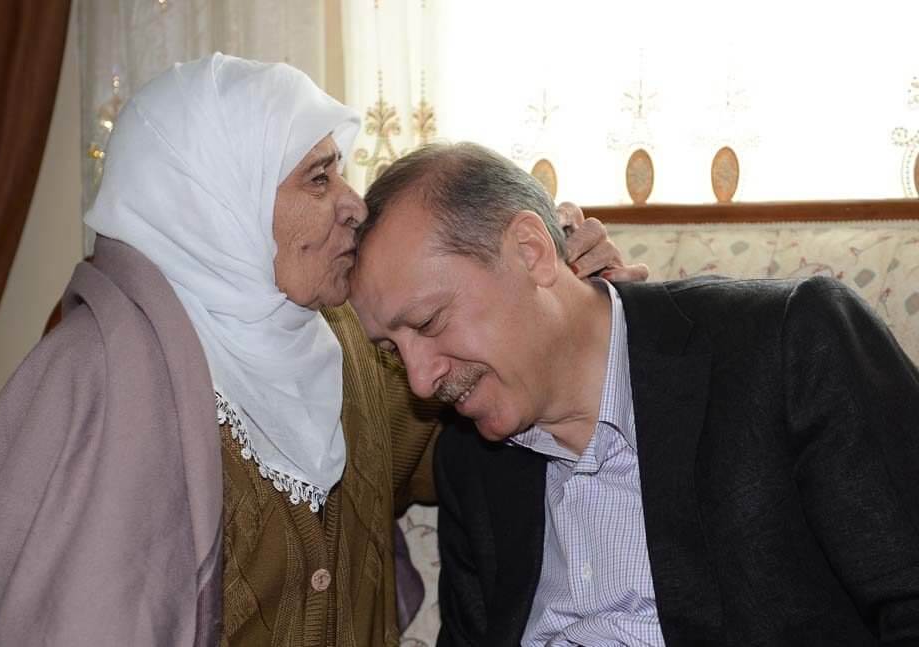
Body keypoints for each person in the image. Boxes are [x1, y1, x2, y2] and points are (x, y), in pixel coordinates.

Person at [0, 55, 640, 646]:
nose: (354, 203)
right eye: (319, 177)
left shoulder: (351, 345)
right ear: (217, 198)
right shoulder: (101, 374)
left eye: (340, 170)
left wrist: (563, 312)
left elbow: (477, 436)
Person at [350, 141, 919, 647]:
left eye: (428, 322)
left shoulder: (790, 343)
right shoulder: (469, 459)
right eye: (392, 350)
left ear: (530, 251)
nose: (421, 380)